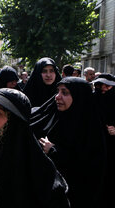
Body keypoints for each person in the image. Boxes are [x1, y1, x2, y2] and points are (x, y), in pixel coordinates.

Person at [31, 77, 107, 208]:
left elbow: (89, 167)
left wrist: (54, 151)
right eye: (58, 91)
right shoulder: (55, 119)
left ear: (79, 97)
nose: (57, 97)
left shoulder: (91, 130)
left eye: (65, 93)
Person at [93, 73, 115, 207]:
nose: (104, 89)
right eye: (100, 85)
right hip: (97, 150)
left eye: (108, 86)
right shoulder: (94, 99)